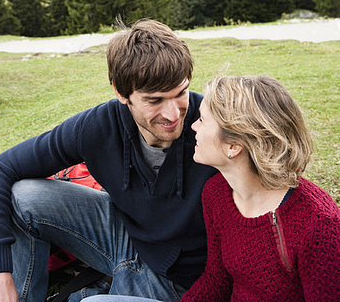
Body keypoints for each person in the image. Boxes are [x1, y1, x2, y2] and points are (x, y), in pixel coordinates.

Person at [0, 19, 217, 302]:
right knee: (24, 196)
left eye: (180, 93)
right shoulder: (99, 126)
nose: (174, 114)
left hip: (183, 281)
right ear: (120, 92)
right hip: (127, 237)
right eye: (154, 100)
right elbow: (0, 169)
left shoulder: (212, 123)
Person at [87, 75, 340, 302]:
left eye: (203, 120)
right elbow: (216, 280)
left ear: (233, 146)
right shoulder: (217, 193)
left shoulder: (319, 226)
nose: (192, 126)